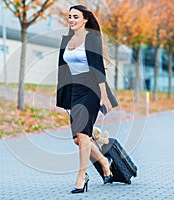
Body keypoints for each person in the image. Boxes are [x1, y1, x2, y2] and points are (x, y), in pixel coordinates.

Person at [56, 5, 114, 194]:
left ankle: (82, 176)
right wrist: (63, 94)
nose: (71, 19)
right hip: (74, 90)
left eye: (75, 16)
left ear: (85, 19)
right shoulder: (66, 39)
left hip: (91, 90)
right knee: (79, 139)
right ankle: (104, 162)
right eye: (69, 16)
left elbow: (98, 68)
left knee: (82, 135)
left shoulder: (92, 39)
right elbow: (63, 70)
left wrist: (104, 96)